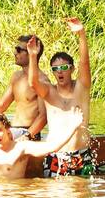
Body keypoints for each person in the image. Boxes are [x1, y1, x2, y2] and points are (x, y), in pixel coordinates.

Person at [26, 17, 95, 176]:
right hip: (56, 156)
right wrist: (32, 56)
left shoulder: (81, 88)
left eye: (64, 67)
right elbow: (33, 83)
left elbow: (85, 63)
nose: (60, 72)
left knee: (83, 192)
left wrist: (81, 34)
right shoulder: (49, 92)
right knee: (54, 192)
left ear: (72, 69)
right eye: (55, 69)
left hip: (81, 156)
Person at [0, 35, 49, 141]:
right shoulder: (16, 76)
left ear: (32, 52)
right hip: (13, 130)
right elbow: (1, 107)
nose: (15, 53)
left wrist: (27, 136)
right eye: (15, 49)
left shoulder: (42, 81)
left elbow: (43, 116)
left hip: (28, 133)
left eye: (19, 50)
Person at [0, 110, 82, 178]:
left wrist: (73, 127)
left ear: (7, 129)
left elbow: (52, 147)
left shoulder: (21, 147)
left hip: (10, 197)